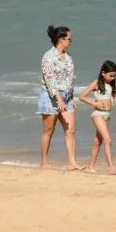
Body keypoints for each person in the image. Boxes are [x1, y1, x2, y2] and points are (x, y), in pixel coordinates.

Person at [76, 59, 116, 175]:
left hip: (107, 116)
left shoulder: (111, 85)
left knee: (98, 141)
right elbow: (82, 96)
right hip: (97, 114)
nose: (112, 78)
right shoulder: (96, 83)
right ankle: (111, 168)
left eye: (114, 76)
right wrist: (95, 104)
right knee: (108, 140)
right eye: (110, 75)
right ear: (103, 73)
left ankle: (91, 166)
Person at [39, 24, 82, 171]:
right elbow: (49, 80)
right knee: (49, 130)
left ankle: (72, 162)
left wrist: (71, 97)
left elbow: (70, 79)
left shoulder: (68, 58)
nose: (71, 42)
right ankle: (44, 161)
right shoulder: (48, 57)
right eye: (69, 39)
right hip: (51, 97)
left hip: (67, 97)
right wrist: (59, 98)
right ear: (61, 39)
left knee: (71, 130)